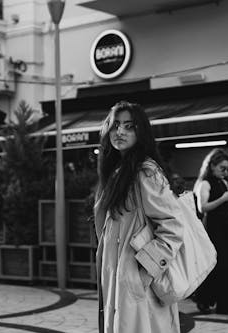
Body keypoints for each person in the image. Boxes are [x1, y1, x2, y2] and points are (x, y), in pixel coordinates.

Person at [94, 101, 185, 333]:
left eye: (129, 126)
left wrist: (143, 273)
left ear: (140, 131)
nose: (120, 132)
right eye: (115, 126)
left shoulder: (146, 172)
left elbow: (173, 227)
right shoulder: (119, 171)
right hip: (121, 281)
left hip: (138, 285)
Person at [193, 148, 228, 315]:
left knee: (227, 264)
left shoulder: (224, 183)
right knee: (214, 264)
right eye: (223, 168)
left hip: (225, 225)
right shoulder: (204, 183)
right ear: (212, 166)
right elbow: (202, 207)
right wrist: (223, 198)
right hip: (211, 227)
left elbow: (223, 207)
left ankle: (225, 304)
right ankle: (205, 300)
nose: (226, 172)